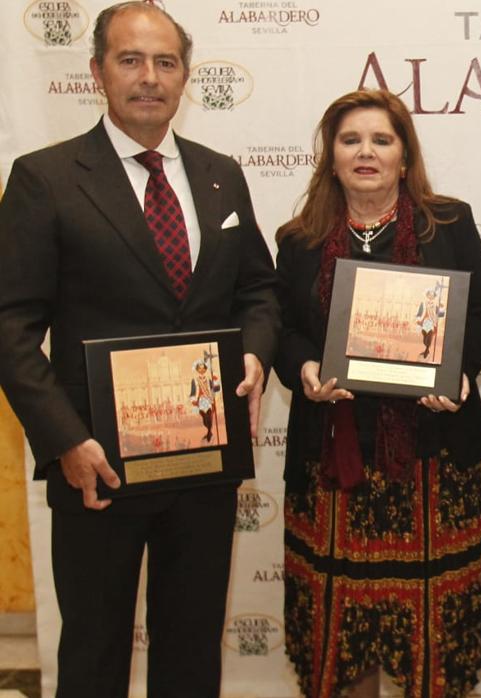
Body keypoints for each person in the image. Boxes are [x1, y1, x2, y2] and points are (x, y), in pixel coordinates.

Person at [0, 3, 279, 696]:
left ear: (185, 76)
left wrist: (253, 355)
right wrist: (66, 438)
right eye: (130, 60)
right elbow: (9, 324)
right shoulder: (46, 178)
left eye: (165, 62)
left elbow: (260, 293)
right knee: (94, 656)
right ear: (97, 71)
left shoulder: (221, 174)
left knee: (191, 651)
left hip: (204, 463)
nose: (148, 78)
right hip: (97, 469)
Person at [272, 89, 481, 698]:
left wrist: (460, 371)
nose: (365, 152)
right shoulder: (297, 239)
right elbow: (283, 329)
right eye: (350, 140)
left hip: (431, 459)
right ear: (331, 155)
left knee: (430, 633)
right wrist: (303, 370)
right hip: (332, 460)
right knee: (339, 627)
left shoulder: (448, 223)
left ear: (404, 154)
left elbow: (479, 315)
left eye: (381, 140)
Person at [189, 356, 222, 443]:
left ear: (205, 369)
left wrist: (215, 379)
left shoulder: (209, 379)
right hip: (200, 401)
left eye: (203, 368)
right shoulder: (195, 380)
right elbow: (192, 392)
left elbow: (217, 389)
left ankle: (209, 434)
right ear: (197, 370)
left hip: (209, 400)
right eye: (200, 368)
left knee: (210, 417)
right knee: (205, 420)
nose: (202, 370)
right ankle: (209, 432)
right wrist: (193, 401)